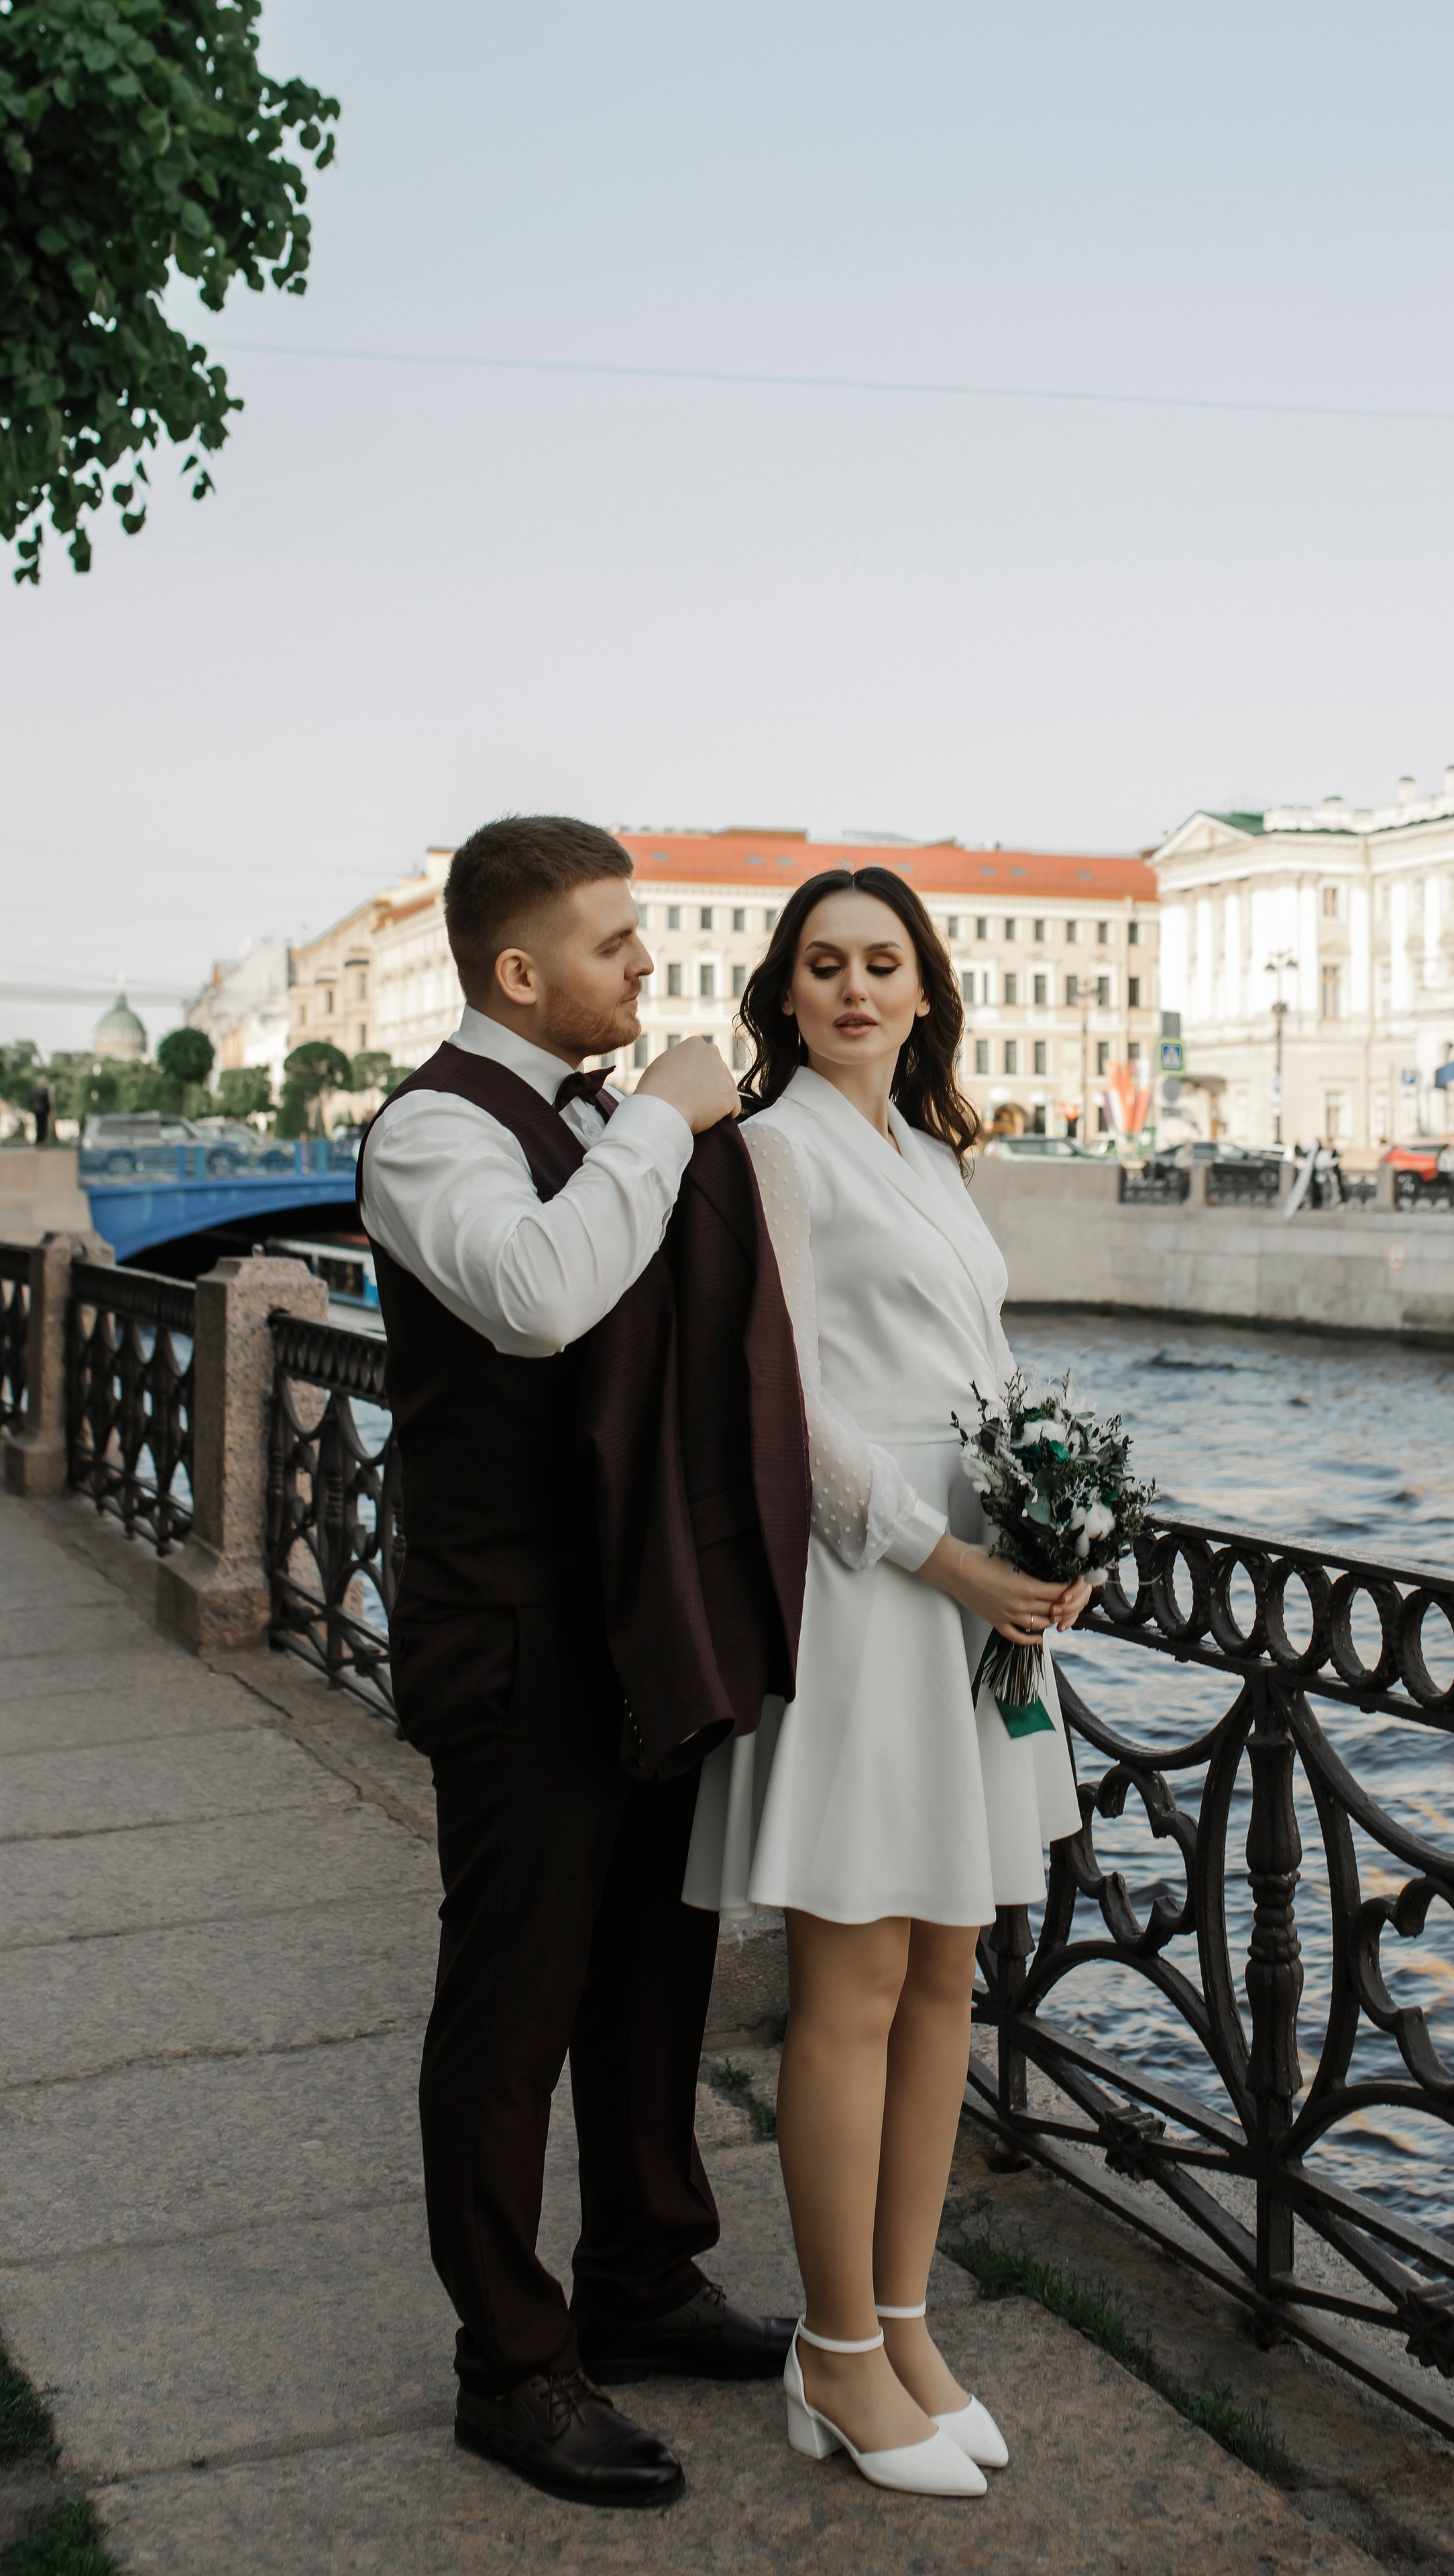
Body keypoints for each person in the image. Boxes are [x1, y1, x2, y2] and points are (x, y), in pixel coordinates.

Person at [356, 816, 799, 2512]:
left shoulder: (589, 1117)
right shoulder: (428, 1134)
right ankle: (512, 2359)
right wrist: (664, 1126)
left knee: (646, 1975)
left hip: (635, 1618)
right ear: (520, 973)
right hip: (517, 1631)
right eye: (613, 945)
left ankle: (638, 2273)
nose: (642, 969)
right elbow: (539, 1298)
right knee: (512, 2001)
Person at [683, 867, 1087, 2499]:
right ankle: (835, 2349)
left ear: (925, 990)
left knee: (946, 1974)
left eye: (883, 963)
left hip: (977, 1586)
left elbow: (968, 1370)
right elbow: (777, 1402)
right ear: (784, 993)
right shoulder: (767, 1151)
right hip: (871, 1586)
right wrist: (949, 1558)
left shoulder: (931, 1149)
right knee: (850, 1983)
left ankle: (903, 2322)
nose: (855, 987)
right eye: (823, 964)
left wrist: (1056, 1505)